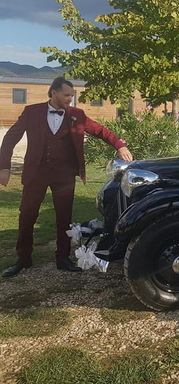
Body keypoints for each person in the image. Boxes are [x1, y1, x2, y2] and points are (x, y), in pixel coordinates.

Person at [0, 77, 133, 278]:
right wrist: (4, 167)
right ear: (53, 92)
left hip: (64, 175)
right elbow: (10, 138)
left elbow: (100, 130)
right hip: (36, 173)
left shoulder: (77, 115)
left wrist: (120, 144)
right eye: (67, 95)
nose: (70, 98)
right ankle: (23, 258)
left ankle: (63, 258)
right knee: (27, 215)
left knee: (64, 218)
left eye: (72, 95)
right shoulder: (32, 112)